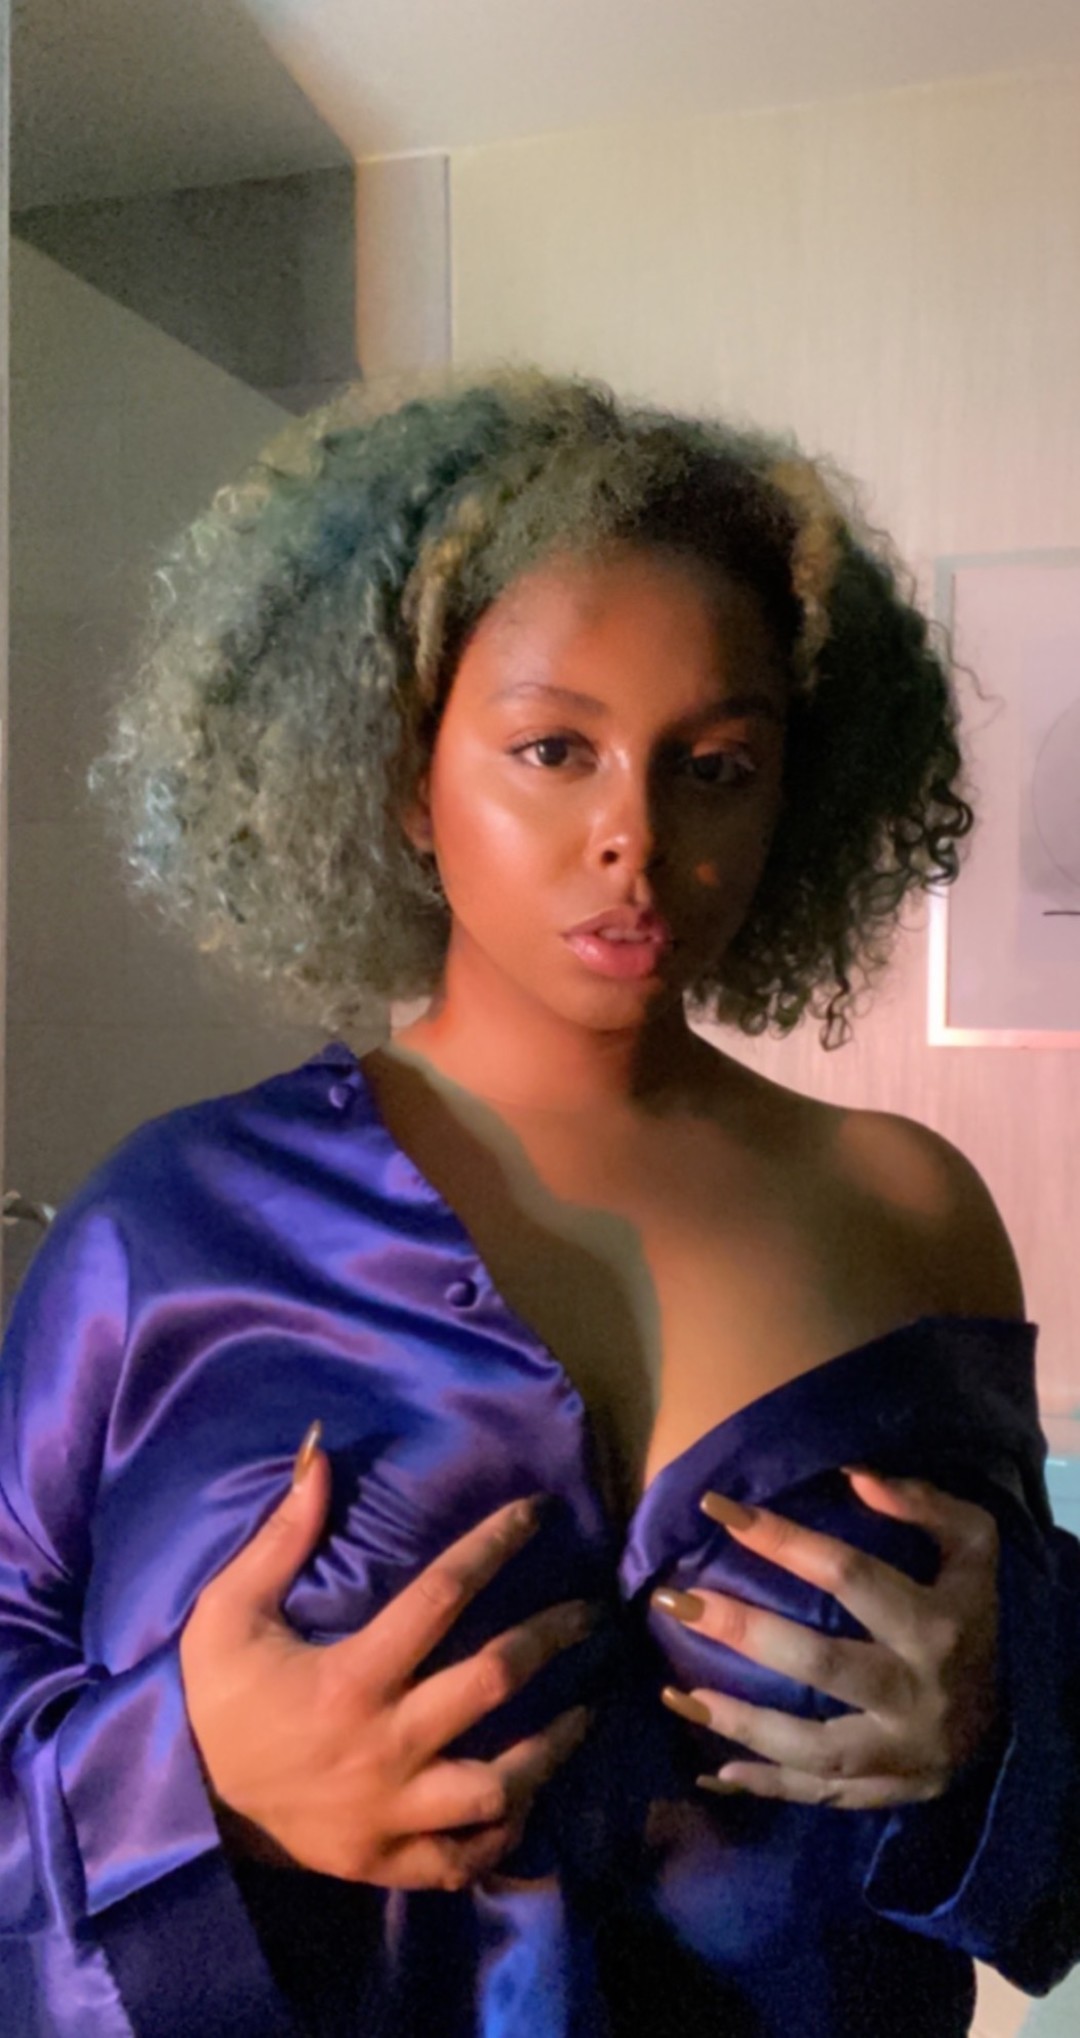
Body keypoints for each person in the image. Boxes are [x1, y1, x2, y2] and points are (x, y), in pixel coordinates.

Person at [1, 370, 1077, 2038]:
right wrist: (197, 1776)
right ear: (402, 772)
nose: (632, 836)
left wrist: (1009, 1705)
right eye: (553, 749)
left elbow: (1031, 1668)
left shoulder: (907, 1210)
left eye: (713, 763)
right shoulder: (171, 1227)